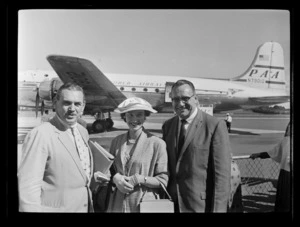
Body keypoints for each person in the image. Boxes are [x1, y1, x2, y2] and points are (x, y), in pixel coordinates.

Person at [18, 82, 107, 212]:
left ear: (83, 106)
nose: (72, 108)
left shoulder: (83, 131)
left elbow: (77, 169)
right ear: (55, 102)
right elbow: (28, 186)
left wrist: (94, 177)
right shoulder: (40, 134)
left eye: (77, 104)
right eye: (67, 103)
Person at [162, 79, 231, 212]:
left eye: (185, 98)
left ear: (196, 99)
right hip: (171, 203)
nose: (180, 103)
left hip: (200, 206)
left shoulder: (214, 125)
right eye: (175, 99)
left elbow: (222, 176)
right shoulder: (168, 126)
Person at [104, 97, 168, 212]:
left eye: (139, 115)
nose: (134, 119)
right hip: (117, 204)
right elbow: (108, 170)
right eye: (130, 115)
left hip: (144, 204)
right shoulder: (116, 141)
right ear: (124, 116)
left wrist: (140, 179)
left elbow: (163, 180)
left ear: (145, 116)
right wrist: (115, 178)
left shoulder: (157, 143)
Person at [250, 122, 291, 212]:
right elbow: (271, 153)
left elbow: (272, 153)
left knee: (284, 202)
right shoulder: (285, 141)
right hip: (285, 173)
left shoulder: (286, 141)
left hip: (286, 175)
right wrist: (259, 154)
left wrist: (258, 155)